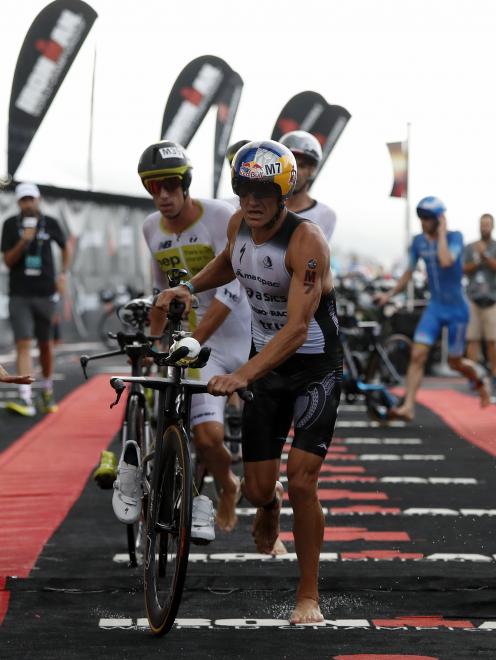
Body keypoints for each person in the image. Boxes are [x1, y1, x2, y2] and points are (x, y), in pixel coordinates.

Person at [154, 140, 342, 625]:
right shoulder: (240, 224)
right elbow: (227, 262)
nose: (252, 201)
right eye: (243, 190)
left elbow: (298, 329)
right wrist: (188, 286)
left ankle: (308, 595)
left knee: (302, 481)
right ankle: (267, 504)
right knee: (260, 490)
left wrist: (240, 374)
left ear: (284, 192)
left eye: (263, 192)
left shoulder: (307, 242)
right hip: (267, 368)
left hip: (313, 370)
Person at [110, 140, 252, 540]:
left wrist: (194, 340)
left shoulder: (221, 214)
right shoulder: (150, 227)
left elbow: (233, 288)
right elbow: (161, 291)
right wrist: (156, 345)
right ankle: (226, 484)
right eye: (153, 188)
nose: (163, 196)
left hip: (236, 336)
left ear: (185, 184)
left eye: (170, 185)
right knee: (207, 438)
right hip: (193, 342)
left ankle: (256, 495)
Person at [377, 196, 491, 420]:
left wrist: (440, 235)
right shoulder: (418, 242)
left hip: (457, 308)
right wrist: (389, 294)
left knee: (455, 362)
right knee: (418, 355)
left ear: (439, 219)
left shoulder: (454, 237)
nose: (423, 222)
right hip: (436, 307)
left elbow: (447, 261)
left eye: (428, 218)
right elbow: (409, 272)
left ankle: (480, 379)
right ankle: (408, 407)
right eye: (421, 217)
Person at [1, 183, 71, 416]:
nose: (28, 204)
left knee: (45, 345)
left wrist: (63, 275)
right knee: (23, 343)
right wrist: (24, 241)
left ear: (38, 199)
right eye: (23, 200)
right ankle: (25, 398)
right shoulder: (11, 225)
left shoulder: (49, 222)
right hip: (19, 294)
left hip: (45, 294)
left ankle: (47, 389)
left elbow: (65, 246)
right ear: (18, 202)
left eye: (31, 199)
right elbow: (8, 261)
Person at [279, 130, 337, 241]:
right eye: (289, 164)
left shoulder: (325, 215)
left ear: (312, 170)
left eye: (301, 166)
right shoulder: (254, 202)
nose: (293, 171)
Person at [463, 213, 496, 390]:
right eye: (482, 225)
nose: (485, 228)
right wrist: (477, 260)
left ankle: (495, 375)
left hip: (492, 299)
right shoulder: (470, 247)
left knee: (493, 340)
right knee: (472, 339)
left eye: (487, 225)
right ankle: (472, 375)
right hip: (474, 299)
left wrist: (486, 257)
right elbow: (464, 268)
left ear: (492, 226)